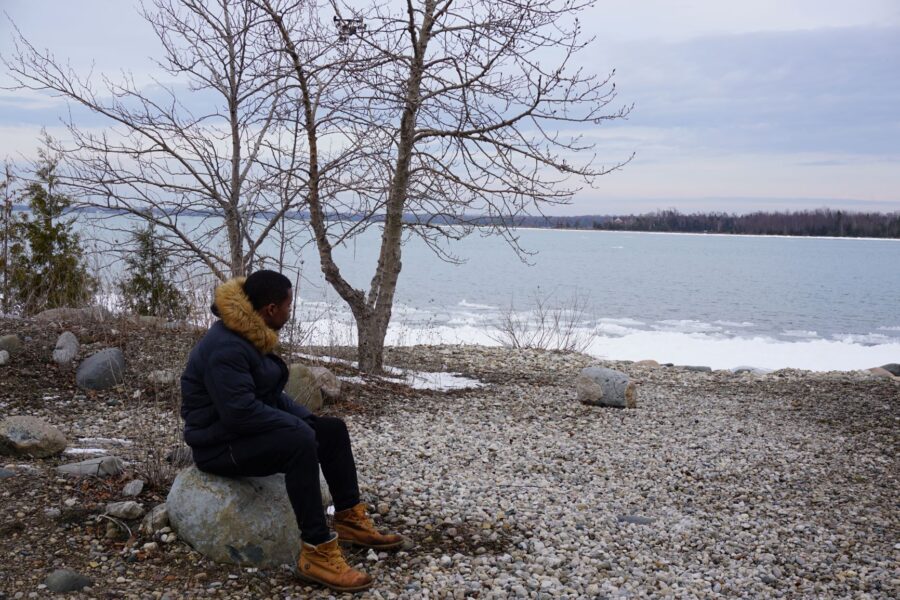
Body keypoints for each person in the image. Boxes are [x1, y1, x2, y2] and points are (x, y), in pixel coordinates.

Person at [180, 270, 401, 593]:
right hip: (218, 447)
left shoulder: (248, 333)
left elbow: (268, 395)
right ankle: (317, 553)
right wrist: (297, 428)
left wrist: (305, 419)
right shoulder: (226, 348)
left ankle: (349, 520)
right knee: (298, 441)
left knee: (331, 430)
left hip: (237, 435)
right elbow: (240, 412)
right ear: (270, 309)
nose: (289, 312)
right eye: (288, 306)